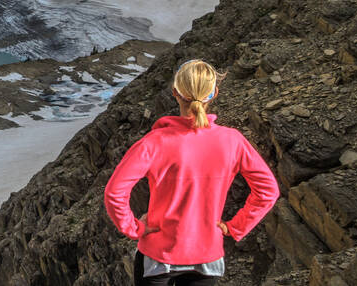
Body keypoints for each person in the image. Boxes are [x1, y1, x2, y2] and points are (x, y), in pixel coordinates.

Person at [104, 59, 280, 285]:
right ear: (214, 93)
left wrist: (134, 228)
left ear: (175, 92)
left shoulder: (154, 143)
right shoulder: (232, 141)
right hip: (207, 256)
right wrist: (235, 226)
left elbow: (114, 193)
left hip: (158, 255)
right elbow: (268, 191)